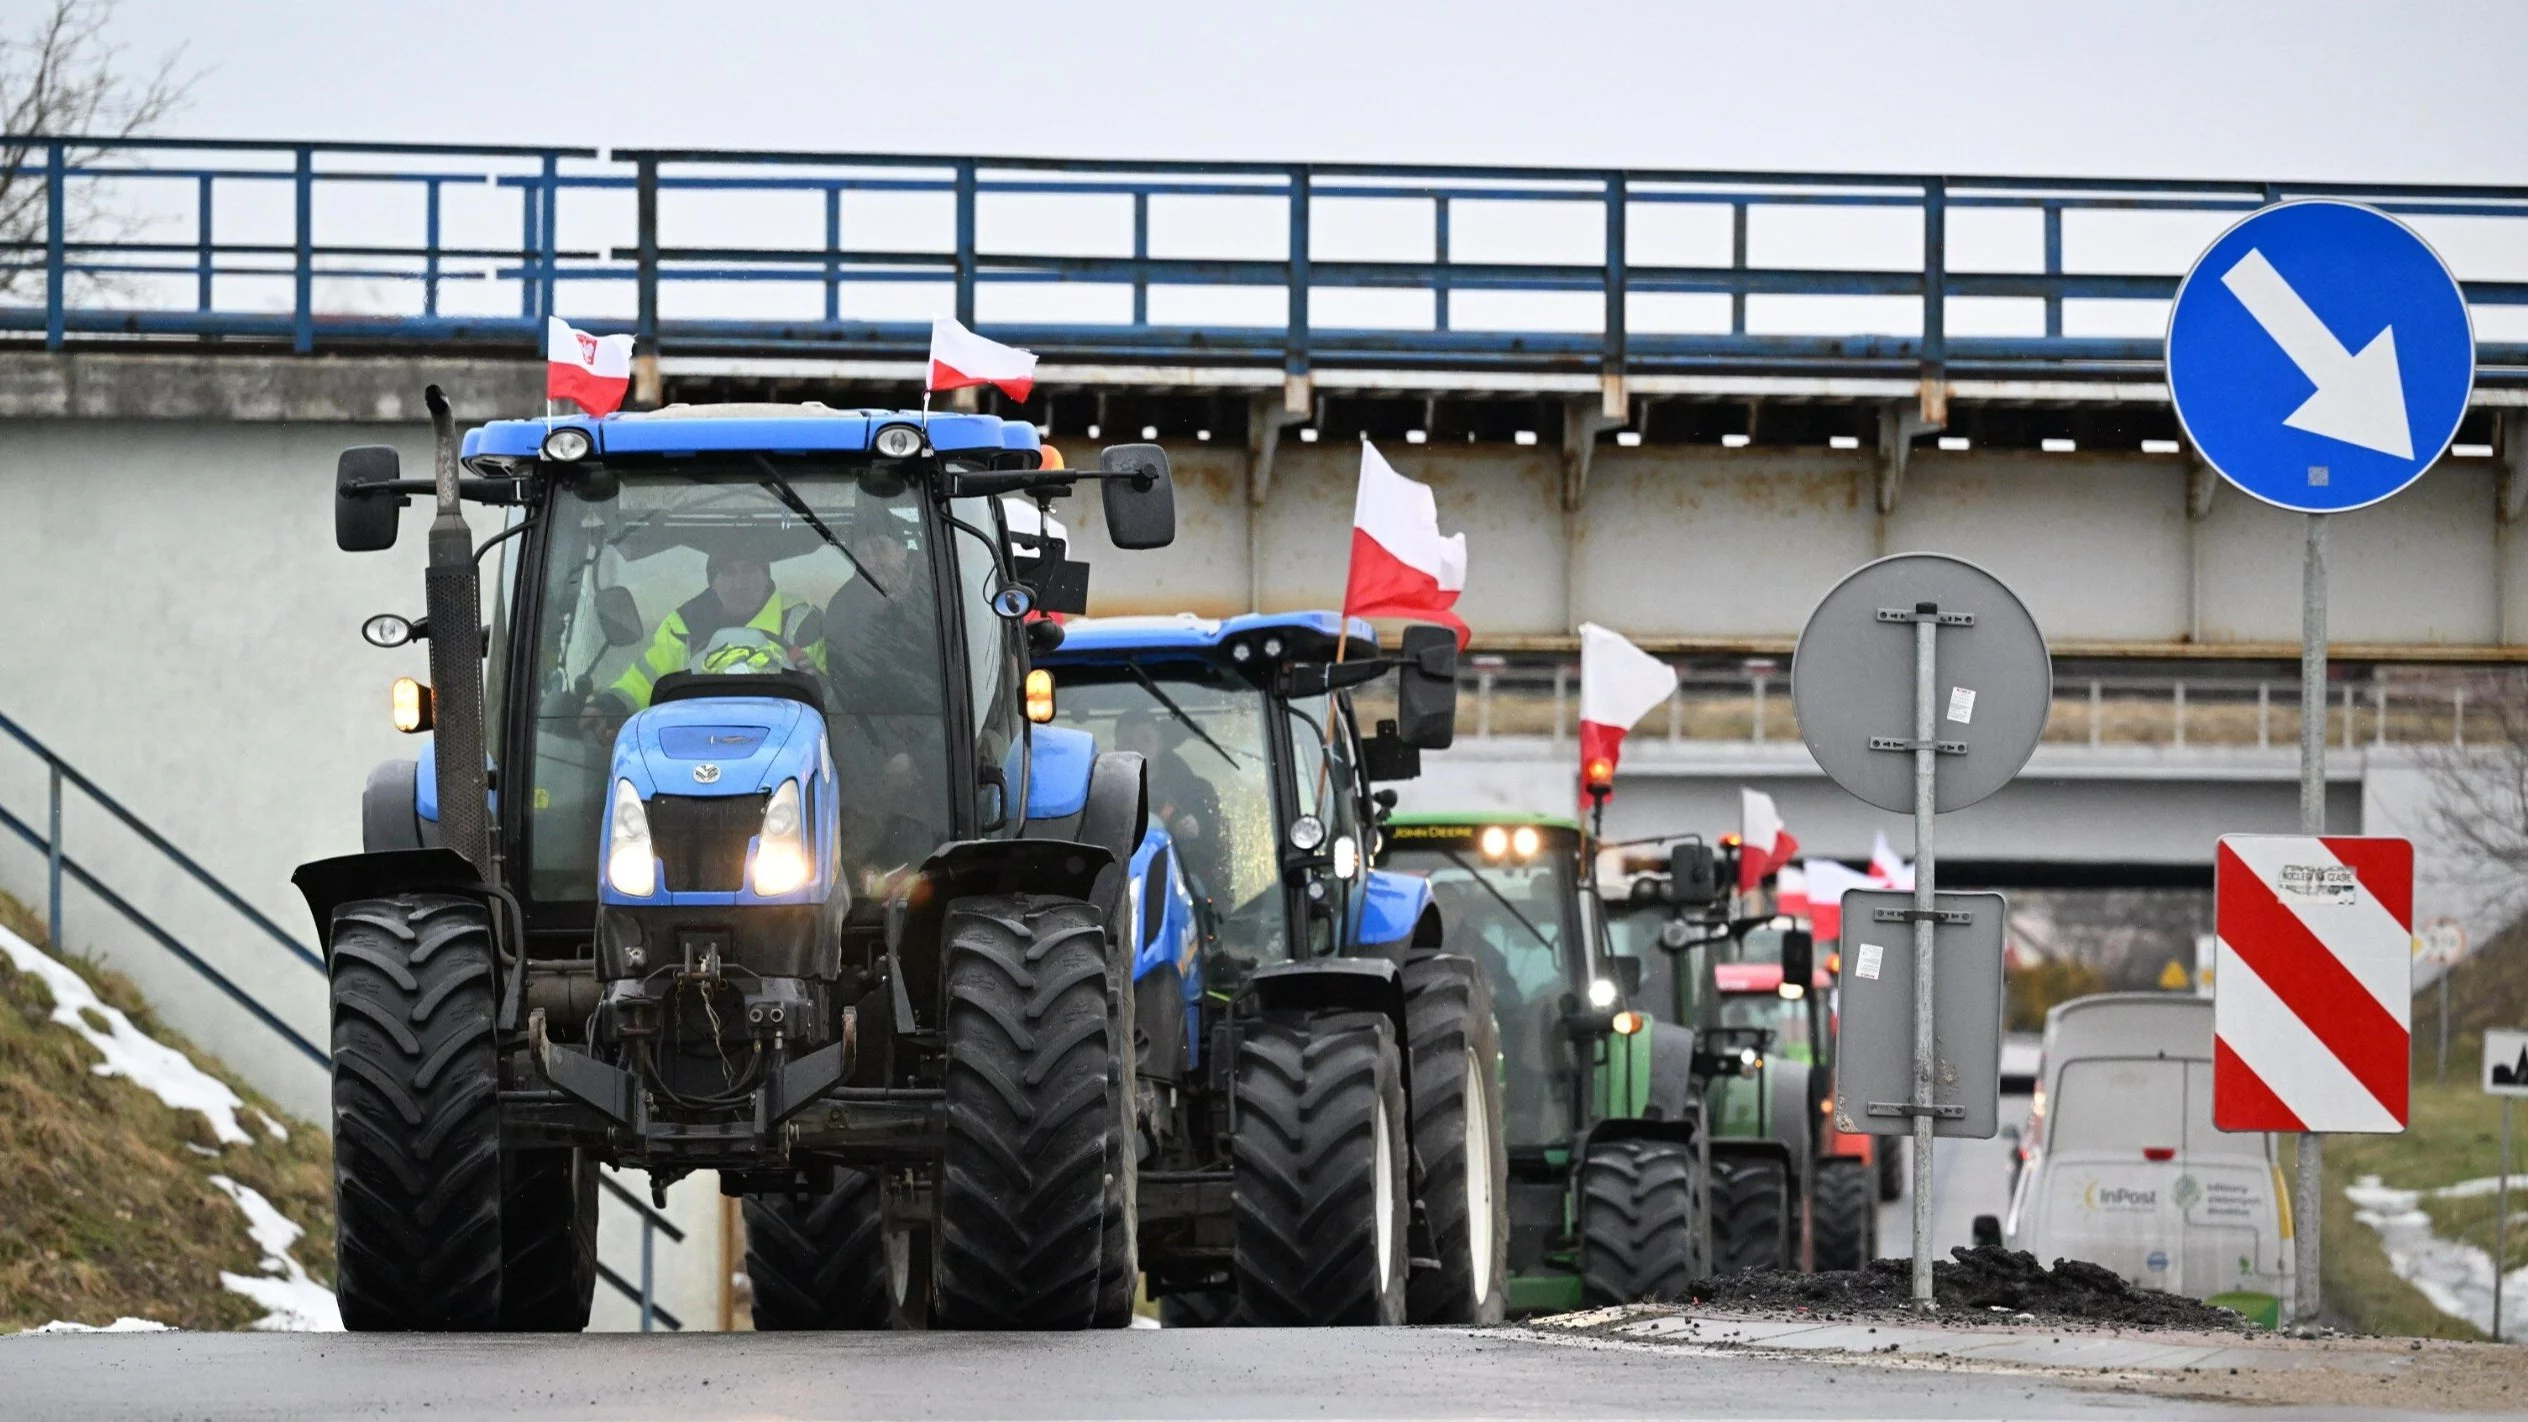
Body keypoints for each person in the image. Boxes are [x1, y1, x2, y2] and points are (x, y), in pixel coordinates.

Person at [599, 547, 821, 712]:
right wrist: (610, 705)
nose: (739, 583)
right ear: (713, 583)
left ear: (765, 577)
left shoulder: (801, 621)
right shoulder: (682, 627)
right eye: (728, 572)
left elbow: (829, 701)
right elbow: (646, 678)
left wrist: (815, 680)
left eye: (749, 570)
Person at [1115, 709, 1226, 903]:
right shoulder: (1101, 791)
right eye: (1127, 741)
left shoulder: (1195, 791)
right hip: (1118, 880)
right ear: (1116, 748)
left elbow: (1213, 847)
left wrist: (1193, 828)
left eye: (1145, 739)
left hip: (1180, 878)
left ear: (1160, 744)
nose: (1135, 747)